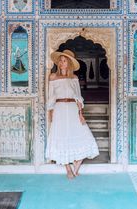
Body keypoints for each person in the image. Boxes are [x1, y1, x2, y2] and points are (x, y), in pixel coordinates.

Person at [45, 49, 99, 179]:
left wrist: (81, 113)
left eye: (64, 61)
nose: (61, 63)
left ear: (68, 63)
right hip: (59, 108)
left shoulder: (74, 78)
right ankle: (68, 168)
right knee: (61, 136)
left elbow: (78, 97)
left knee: (82, 133)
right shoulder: (52, 77)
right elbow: (51, 96)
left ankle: (77, 162)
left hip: (73, 108)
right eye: (60, 61)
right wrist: (50, 112)